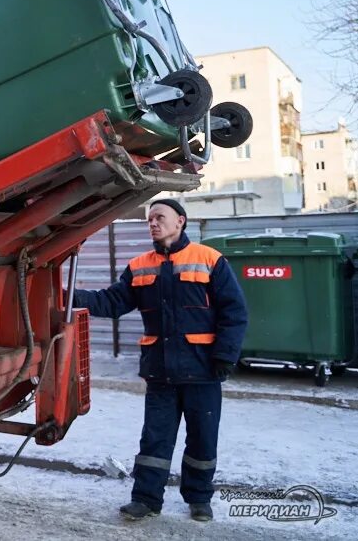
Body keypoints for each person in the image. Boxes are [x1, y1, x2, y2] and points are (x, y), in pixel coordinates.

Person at [73, 199, 247, 523]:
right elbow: (112, 301)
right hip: (160, 373)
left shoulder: (209, 260)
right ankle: (145, 499)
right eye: (149, 218)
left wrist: (225, 355)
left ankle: (199, 499)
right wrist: (73, 295)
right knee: (154, 438)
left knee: (202, 438)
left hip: (203, 370)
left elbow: (234, 312)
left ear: (180, 221)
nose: (152, 223)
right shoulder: (140, 265)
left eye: (159, 217)